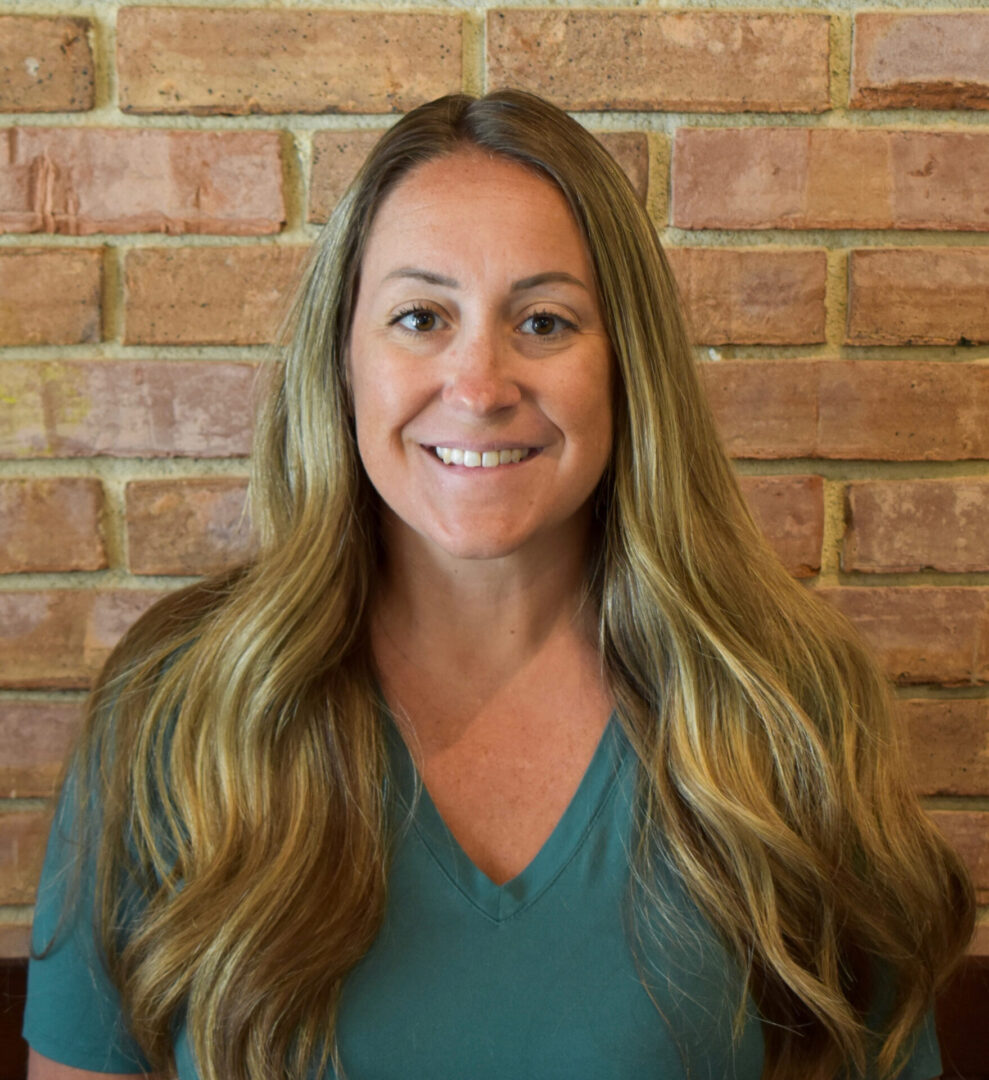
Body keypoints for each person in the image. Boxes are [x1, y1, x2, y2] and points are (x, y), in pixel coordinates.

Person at [24, 90, 973, 1080]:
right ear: (344, 360)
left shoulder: (784, 704)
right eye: (420, 316)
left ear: (626, 367)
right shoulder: (177, 703)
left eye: (544, 320)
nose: (478, 385)